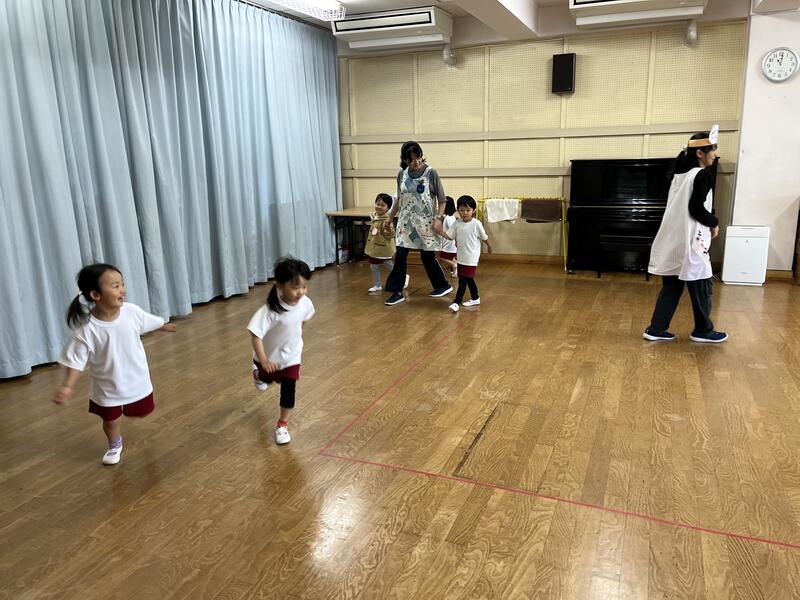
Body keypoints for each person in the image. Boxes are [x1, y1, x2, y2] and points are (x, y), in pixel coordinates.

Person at [53, 263, 176, 465]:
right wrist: (67, 386)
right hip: (107, 384)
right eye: (116, 286)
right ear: (96, 295)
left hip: (135, 377)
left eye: (122, 284)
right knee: (111, 420)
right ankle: (114, 444)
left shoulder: (131, 312)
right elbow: (75, 361)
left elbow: (147, 321)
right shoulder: (87, 330)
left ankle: (127, 414)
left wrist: (163, 326)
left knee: (141, 412)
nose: (123, 290)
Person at [645, 127, 727, 343]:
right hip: (692, 240)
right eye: (713, 149)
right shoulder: (702, 175)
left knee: (672, 286)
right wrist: (714, 222)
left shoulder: (679, 176)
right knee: (702, 285)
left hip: (674, 239)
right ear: (700, 153)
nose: (715, 154)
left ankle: (656, 329)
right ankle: (703, 330)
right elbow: (696, 208)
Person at [248, 257, 315, 445]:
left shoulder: (304, 302)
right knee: (267, 378)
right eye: (295, 287)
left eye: (305, 286)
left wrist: (294, 337)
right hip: (269, 358)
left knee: (288, 390)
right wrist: (263, 360)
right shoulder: (270, 311)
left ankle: (282, 425)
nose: (301, 292)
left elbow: (305, 318)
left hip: (292, 357)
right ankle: (257, 375)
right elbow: (255, 335)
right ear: (279, 285)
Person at [382, 141, 452, 306]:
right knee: (400, 254)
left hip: (425, 223)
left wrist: (439, 218)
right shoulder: (402, 174)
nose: (416, 162)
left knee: (427, 256)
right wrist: (390, 217)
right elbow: (399, 199)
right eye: (411, 159)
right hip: (405, 223)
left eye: (418, 157)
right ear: (404, 160)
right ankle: (397, 291)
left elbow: (442, 200)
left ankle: (442, 285)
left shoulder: (430, 173)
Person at [444, 195, 492, 312]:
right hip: (461, 256)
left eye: (468, 210)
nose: (465, 213)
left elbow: (484, 237)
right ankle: (475, 297)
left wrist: (489, 247)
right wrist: (439, 231)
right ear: (458, 210)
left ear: (473, 210)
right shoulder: (457, 223)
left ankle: (457, 301)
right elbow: (450, 236)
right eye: (462, 210)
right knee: (468, 278)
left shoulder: (476, 224)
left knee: (463, 279)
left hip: (471, 257)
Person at [364, 193, 408, 293]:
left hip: (384, 248)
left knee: (390, 266)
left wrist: (387, 229)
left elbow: (391, 235)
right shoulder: (374, 216)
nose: (379, 207)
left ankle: (403, 277)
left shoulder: (387, 220)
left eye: (382, 205)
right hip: (374, 248)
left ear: (388, 208)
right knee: (373, 266)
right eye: (377, 204)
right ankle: (377, 285)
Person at [438, 196, 458, 278]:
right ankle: (456, 268)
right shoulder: (449, 217)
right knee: (450, 257)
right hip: (449, 242)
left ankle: (454, 265)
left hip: (449, 243)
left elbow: (453, 230)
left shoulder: (449, 218)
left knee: (441, 257)